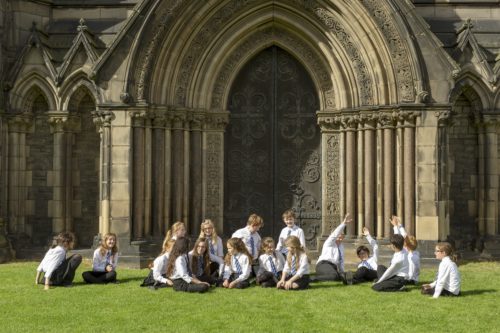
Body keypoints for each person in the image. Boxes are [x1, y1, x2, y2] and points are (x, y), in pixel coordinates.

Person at [314, 214, 351, 281]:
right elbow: (335, 234)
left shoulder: (341, 247)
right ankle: (312, 279)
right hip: (323, 264)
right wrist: (343, 223)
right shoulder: (329, 243)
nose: (340, 238)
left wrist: (342, 271)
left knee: (339, 276)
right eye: (338, 236)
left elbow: (341, 261)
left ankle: (346, 278)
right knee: (334, 276)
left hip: (333, 267)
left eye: (342, 236)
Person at [391, 216, 420, 284]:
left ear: (406, 245)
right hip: (409, 277)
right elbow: (404, 235)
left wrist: (396, 226)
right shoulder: (412, 252)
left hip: (410, 280)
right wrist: (398, 225)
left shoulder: (411, 256)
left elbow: (412, 272)